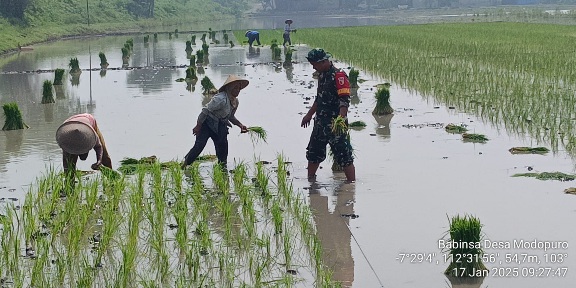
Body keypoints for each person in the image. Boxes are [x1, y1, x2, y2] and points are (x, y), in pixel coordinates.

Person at [301, 48, 356, 182]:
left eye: (315, 64)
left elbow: (344, 100)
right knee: (313, 152)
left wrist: (340, 119)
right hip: (320, 123)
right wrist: (309, 115)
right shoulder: (321, 75)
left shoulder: (339, 76)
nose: (313, 67)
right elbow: (319, 98)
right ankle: (311, 181)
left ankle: (351, 185)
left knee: (344, 155)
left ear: (324, 61)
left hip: (334, 124)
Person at [182, 75, 249, 169]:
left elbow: (230, 117)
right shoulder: (220, 99)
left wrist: (241, 125)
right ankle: (185, 165)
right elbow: (205, 110)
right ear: (229, 88)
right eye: (235, 88)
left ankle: (222, 169)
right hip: (207, 123)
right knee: (199, 146)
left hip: (220, 125)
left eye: (239, 88)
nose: (238, 90)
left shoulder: (235, 102)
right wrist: (198, 126)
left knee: (223, 147)